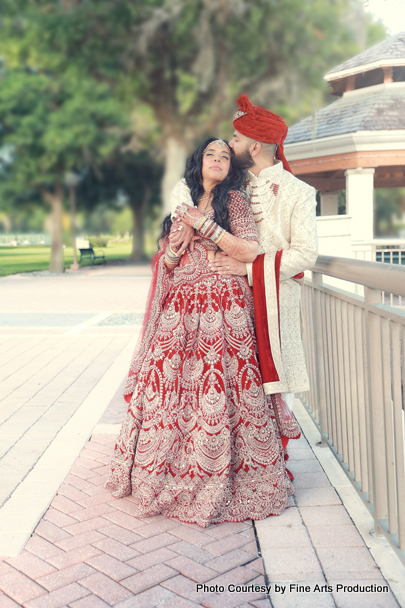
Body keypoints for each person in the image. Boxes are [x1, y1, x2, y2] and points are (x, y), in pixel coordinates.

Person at [106, 137, 300, 528]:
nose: (217, 159)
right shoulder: (184, 205)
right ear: (199, 163)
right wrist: (175, 248)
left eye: (225, 156)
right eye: (210, 154)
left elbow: (250, 249)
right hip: (179, 314)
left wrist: (204, 225)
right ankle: (165, 472)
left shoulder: (235, 202)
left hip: (223, 312)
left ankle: (225, 477)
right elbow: (169, 262)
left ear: (232, 168)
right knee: (169, 391)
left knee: (221, 391)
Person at [170, 95, 318, 409]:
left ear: (253, 148)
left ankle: (275, 455)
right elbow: (185, 185)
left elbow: (305, 254)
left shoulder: (299, 193)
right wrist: (180, 218)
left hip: (274, 300)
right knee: (229, 387)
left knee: (276, 391)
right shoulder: (230, 181)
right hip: (226, 303)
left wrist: (248, 269)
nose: (228, 144)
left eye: (235, 139)